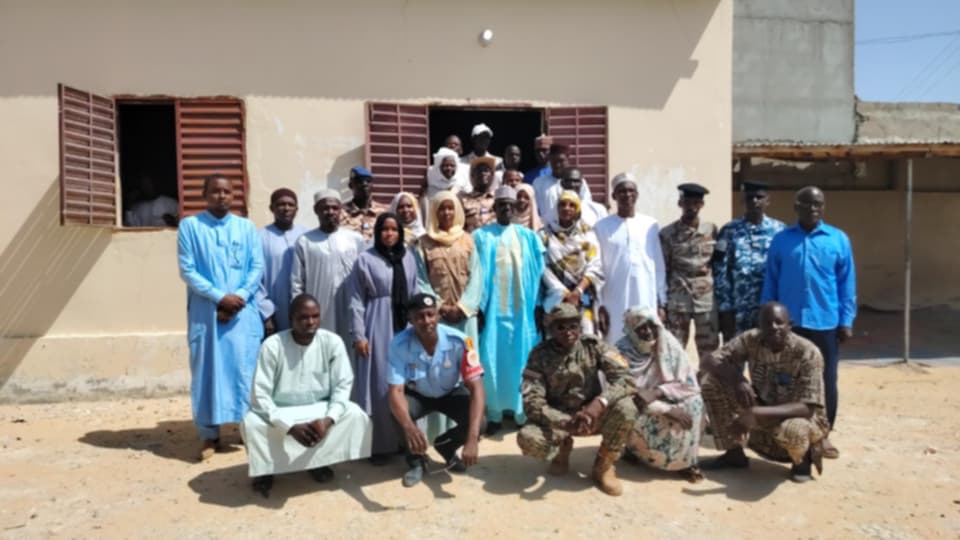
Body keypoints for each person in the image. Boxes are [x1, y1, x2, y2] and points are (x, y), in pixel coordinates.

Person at [241, 294, 373, 498]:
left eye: (315, 316)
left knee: (354, 414)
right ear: (291, 319)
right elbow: (260, 395)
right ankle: (265, 470)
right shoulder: (273, 345)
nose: (310, 322)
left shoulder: (332, 342)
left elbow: (342, 386)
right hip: (281, 410)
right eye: (303, 317)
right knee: (251, 422)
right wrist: (289, 427)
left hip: (318, 409)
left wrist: (327, 421)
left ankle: (318, 462)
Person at [762, 186, 855, 459]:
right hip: (789, 325)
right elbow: (771, 281)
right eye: (807, 204)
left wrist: (846, 320)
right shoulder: (781, 240)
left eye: (818, 204)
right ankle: (791, 434)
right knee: (787, 380)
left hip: (825, 322)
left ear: (823, 207)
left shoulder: (838, 239)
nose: (813, 208)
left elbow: (847, 284)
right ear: (796, 207)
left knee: (826, 380)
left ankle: (822, 436)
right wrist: (767, 320)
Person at [177, 174, 264, 460]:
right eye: (215, 191)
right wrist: (219, 297)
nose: (222, 196)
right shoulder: (190, 227)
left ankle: (247, 429)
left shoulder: (246, 227)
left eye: (227, 191)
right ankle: (209, 435)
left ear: (234, 195)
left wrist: (238, 296)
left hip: (242, 312)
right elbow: (188, 270)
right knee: (206, 372)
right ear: (204, 194)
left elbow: (256, 267)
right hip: (207, 313)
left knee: (244, 371)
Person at [699, 302, 830, 483]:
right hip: (764, 405)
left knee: (795, 429)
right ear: (759, 326)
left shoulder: (808, 352)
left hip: (800, 417)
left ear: (790, 325)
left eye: (779, 322)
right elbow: (707, 361)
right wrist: (737, 379)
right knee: (711, 382)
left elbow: (808, 408)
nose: (773, 327)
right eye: (767, 323)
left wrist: (755, 412)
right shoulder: (752, 339)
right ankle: (733, 453)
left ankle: (802, 460)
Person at [518, 304, 639, 496]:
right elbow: (531, 400)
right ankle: (561, 449)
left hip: (592, 415)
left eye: (573, 326)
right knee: (528, 438)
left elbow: (625, 379)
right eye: (561, 327)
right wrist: (564, 422)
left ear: (580, 327)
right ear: (551, 329)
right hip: (558, 420)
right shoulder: (538, 355)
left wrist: (599, 404)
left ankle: (604, 465)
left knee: (627, 408)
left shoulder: (594, 346)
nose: (568, 332)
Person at [460, 186, 545, 434]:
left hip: (523, 314)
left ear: (516, 207)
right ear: (494, 208)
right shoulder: (481, 236)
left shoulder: (529, 237)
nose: (506, 208)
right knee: (491, 359)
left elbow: (539, 274)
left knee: (522, 360)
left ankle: (520, 413)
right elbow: (474, 274)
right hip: (492, 314)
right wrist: (478, 307)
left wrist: (539, 305)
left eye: (510, 204)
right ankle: (495, 413)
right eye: (501, 205)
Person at [387, 293, 487, 487]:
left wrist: (473, 438)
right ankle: (416, 461)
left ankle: (446, 447)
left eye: (430, 314)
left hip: (450, 392)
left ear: (438, 315)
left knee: (480, 422)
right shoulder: (398, 345)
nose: (426, 321)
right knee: (397, 413)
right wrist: (409, 427)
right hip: (418, 394)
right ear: (410, 320)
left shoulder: (460, 341)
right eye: (419, 317)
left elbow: (476, 388)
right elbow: (395, 391)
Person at [348, 213, 420, 462]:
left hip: (405, 326)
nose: (389, 234)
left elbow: (415, 291)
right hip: (377, 324)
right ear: (377, 233)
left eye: (394, 230)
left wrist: (419, 326)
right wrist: (359, 335)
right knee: (380, 383)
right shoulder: (365, 259)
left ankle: (406, 440)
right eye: (384, 230)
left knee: (407, 382)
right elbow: (356, 299)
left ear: (400, 233)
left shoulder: (408, 258)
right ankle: (380, 446)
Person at [616, 307, 704, 482]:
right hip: (639, 403)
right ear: (631, 330)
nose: (649, 332)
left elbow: (690, 385)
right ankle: (635, 451)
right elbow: (624, 393)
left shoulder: (668, 342)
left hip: (662, 395)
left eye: (652, 325)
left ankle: (686, 462)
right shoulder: (621, 352)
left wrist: (658, 391)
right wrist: (667, 410)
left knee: (695, 402)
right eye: (641, 328)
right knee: (626, 407)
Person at [595, 173, 667, 345]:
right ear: (614, 196)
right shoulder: (601, 227)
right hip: (613, 300)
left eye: (631, 191)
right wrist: (600, 305)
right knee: (615, 343)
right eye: (622, 191)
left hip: (645, 296)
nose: (627, 195)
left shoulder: (650, 225)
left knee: (645, 344)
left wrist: (662, 301)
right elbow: (597, 268)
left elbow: (658, 265)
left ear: (637, 194)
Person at [713, 181, 786, 338]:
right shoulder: (729, 230)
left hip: (769, 309)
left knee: (768, 351)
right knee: (736, 351)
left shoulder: (780, 231)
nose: (754, 201)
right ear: (742, 200)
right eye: (749, 197)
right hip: (738, 308)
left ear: (768, 200)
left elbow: (785, 270)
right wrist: (725, 309)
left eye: (759, 197)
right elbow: (720, 271)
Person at [291, 189, 366, 337]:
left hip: (350, 304)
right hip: (318, 306)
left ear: (341, 210)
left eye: (335, 208)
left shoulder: (355, 239)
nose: (330, 212)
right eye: (325, 208)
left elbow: (365, 276)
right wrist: (299, 310)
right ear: (316, 210)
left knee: (350, 344)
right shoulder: (305, 241)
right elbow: (297, 282)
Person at [660, 183, 719, 358]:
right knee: (674, 351)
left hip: (706, 300)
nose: (691, 207)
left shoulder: (711, 230)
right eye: (687, 202)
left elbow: (717, 264)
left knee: (709, 352)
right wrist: (662, 302)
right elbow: (664, 269)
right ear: (680, 203)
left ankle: (707, 378)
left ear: (702, 205)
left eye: (696, 203)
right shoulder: (667, 233)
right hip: (678, 299)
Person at [414, 191, 480, 341]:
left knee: (467, 353)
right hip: (437, 317)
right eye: (441, 209)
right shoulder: (423, 243)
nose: (446, 213)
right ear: (434, 212)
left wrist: (463, 307)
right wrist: (440, 306)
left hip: (465, 315)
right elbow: (421, 279)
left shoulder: (468, 240)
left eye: (450, 208)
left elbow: (476, 277)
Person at [539, 190, 604, 335]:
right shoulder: (544, 235)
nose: (566, 208)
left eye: (572, 205)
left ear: (578, 210)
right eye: (562, 204)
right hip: (556, 298)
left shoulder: (588, 234)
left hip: (583, 298)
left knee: (586, 337)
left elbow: (595, 265)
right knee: (556, 339)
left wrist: (577, 291)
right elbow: (543, 267)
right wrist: (564, 293)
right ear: (556, 208)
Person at [256, 188, 308, 336]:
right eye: (281, 204)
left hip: (304, 309)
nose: (286, 208)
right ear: (271, 208)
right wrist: (266, 312)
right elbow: (255, 279)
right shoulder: (260, 237)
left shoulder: (306, 236)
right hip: (274, 311)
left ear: (297, 209)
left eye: (291, 205)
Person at [533, 145, 593, 224]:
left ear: (568, 159)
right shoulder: (539, 183)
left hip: (575, 226)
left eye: (561, 161)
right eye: (554, 161)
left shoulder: (577, 182)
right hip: (547, 227)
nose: (557, 165)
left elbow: (586, 204)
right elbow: (534, 207)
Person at [421, 147, 470, 220]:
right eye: (445, 165)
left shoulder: (461, 183)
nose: (449, 168)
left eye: (452, 166)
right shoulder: (432, 183)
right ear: (439, 167)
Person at [342, 166, 388, 242]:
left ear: (372, 185)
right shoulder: (341, 212)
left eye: (368, 180)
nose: (364, 184)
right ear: (350, 185)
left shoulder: (384, 212)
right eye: (359, 181)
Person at [459, 156, 497, 232]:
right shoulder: (463, 200)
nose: (483, 173)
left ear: (492, 175)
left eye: (486, 171)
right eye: (479, 171)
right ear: (472, 175)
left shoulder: (498, 198)